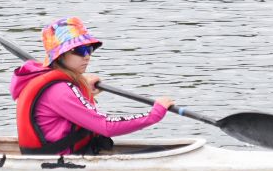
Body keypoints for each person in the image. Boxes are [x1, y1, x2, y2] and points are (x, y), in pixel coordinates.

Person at [10, 17, 174, 156]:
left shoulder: (55, 85)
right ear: (60, 56)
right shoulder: (59, 91)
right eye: (79, 50)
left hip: (71, 153)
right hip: (61, 162)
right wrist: (153, 115)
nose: (87, 56)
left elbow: (63, 109)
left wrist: (84, 89)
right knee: (159, 152)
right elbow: (106, 126)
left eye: (89, 49)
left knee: (158, 151)